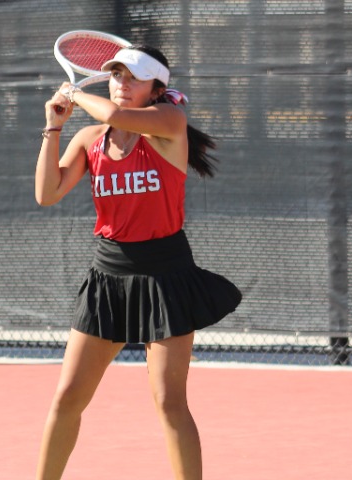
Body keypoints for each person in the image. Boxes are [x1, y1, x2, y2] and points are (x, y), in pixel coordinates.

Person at [34, 43, 242, 480]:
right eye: (116, 75)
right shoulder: (90, 139)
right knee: (67, 398)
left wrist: (74, 95)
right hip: (108, 276)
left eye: (134, 78)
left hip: (166, 276)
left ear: (156, 89)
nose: (122, 84)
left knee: (169, 402)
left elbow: (112, 113)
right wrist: (53, 127)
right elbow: (46, 193)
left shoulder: (169, 123)